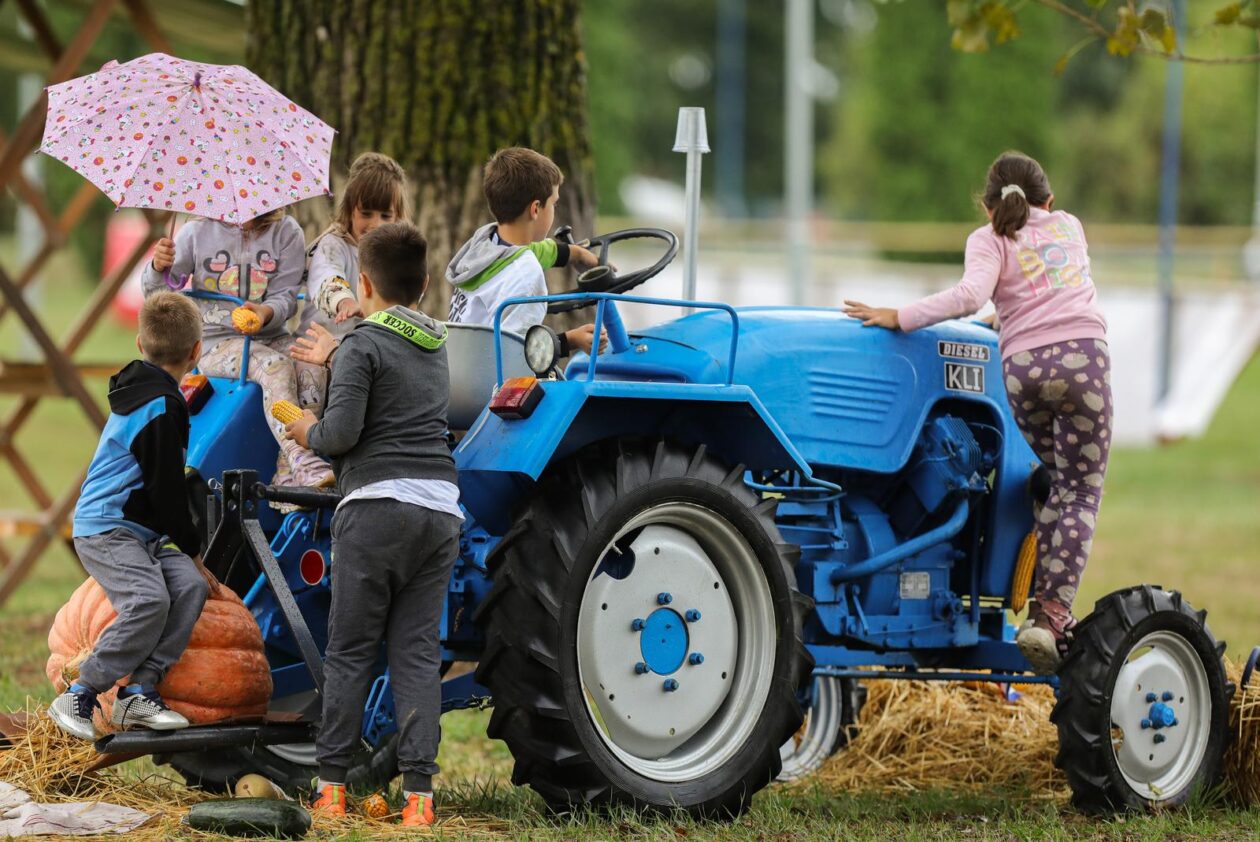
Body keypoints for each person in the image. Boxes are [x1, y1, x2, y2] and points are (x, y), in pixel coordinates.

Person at [842, 151, 1110, 674]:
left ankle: (1041, 496)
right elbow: (1054, 289)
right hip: (1083, 365)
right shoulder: (1069, 226)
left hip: (1024, 371)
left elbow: (971, 295)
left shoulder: (987, 239)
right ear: (1048, 202)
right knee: (1081, 491)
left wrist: (901, 316)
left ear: (987, 207)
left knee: (1058, 479)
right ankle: (1050, 617)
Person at [285, 223, 460, 828]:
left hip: (376, 508)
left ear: (363, 282)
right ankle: (418, 799)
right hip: (440, 510)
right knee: (414, 653)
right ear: (426, 284)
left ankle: (331, 788)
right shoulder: (438, 344)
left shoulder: (360, 343)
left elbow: (338, 438)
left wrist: (301, 425)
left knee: (352, 650)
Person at [50, 292, 220, 741]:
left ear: (141, 343)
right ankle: (82, 691)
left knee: (187, 587)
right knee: (148, 601)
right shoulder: (161, 406)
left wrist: (189, 563)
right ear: (196, 352)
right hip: (107, 528)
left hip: (141, 532)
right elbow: (167, 493)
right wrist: (195, 550)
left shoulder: (152, 393)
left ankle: (139, 692)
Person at [144, 210, 334, 488]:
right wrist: (157, 268)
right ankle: (301, 457)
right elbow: (157, 293)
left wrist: (265, 312)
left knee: (311, 366)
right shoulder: (195, 232)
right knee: (276, 366)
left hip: (270, 335)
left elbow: (286, 298)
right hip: (214, 342)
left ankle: (287, 469)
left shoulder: (286, 232)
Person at [446, 146, 604, 355]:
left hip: (459, 368)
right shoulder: (525, 273)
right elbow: (516, 355)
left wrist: (575, 252)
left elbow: (532, 250)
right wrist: (570, 340)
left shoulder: (485, 244)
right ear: (536, 209)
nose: (554, 211)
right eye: (554, 204)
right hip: (489, 383)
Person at [294, 152, 411, 414]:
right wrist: (344, 301)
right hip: (320, 344)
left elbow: (405, 298)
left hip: (366, 353)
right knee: (310, 400)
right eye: (366, 214)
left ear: (398, 217)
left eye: (385, 216)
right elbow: (326, 277)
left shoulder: (395, 255)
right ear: (349, 211)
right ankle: (298, 452)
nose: (375, 224)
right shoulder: (334, 245)